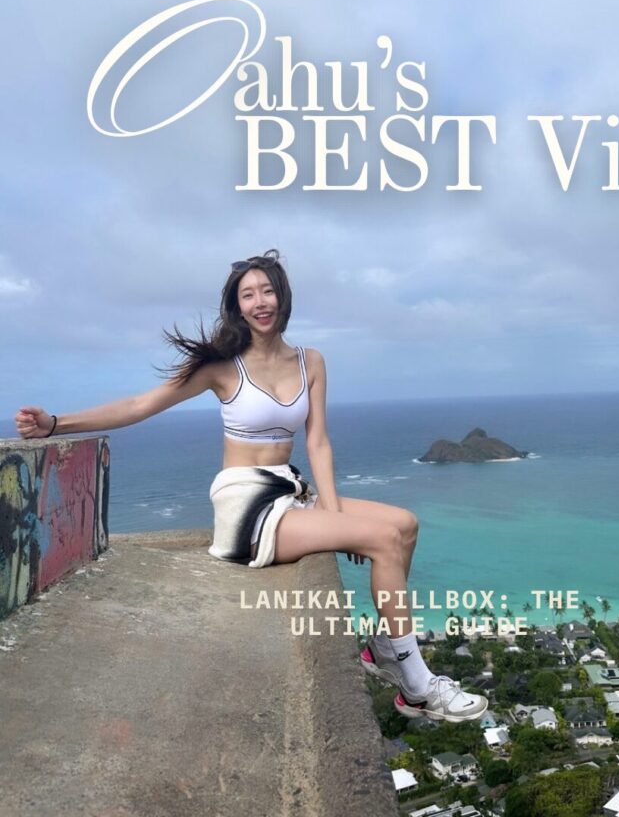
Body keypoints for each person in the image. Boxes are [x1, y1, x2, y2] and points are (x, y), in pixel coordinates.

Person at [14, 249, 486, 723]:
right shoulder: (222, 366)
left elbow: (318, 441)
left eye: (267, 291)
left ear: (283, 298)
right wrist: (56, 423)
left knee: (405, 524)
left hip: (288, 490)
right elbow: (140, 405)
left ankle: (384, 647)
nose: (260, 302)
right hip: (246, 505)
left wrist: (334, 515)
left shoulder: (311, 361)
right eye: (248, 295)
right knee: (381, 538)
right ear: (237, 306)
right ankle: (417, 685)